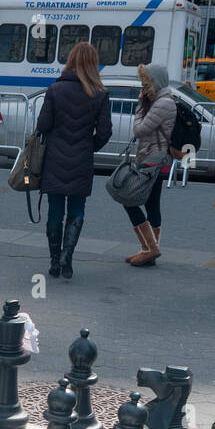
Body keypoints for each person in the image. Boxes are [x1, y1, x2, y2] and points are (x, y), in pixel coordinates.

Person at [34, 41, 112, 280]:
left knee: (55, 209)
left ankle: (54, 261)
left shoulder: (55, 90)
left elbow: (43, 126)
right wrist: (88, 146)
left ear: (71, 61)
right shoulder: (100, 93)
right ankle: (68, 256)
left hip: (55, 158)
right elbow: (106, 132)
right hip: (81, 159)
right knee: (77, 209)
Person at [118, 62, 175, 267]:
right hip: (155, 158)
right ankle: (148, 250)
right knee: (151, 204)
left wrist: (140, 107)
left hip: (153, 159)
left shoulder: (163, 103)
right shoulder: (161, 100)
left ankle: (150, 249)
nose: (143, 85)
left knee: (129, 197)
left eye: (146, 81)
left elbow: (140, 130)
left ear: (155, 81)